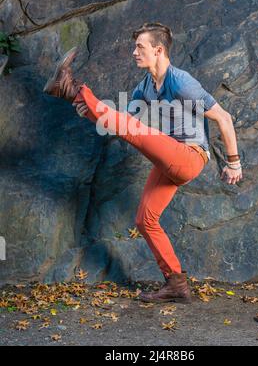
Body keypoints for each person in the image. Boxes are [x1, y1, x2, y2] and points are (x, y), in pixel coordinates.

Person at [43, 22, 242, 304]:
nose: (134, 52)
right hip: (169, 159)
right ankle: (177, 284)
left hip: (190, 157)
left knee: (129, 129)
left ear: (158, 50)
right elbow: (121, 122)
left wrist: (234, 163)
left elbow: (224, 118)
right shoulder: (146, 85)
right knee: (145, 220)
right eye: (134, 46)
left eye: (140, 47)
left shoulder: (181, 82)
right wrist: (88, 111)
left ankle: (71, 88)